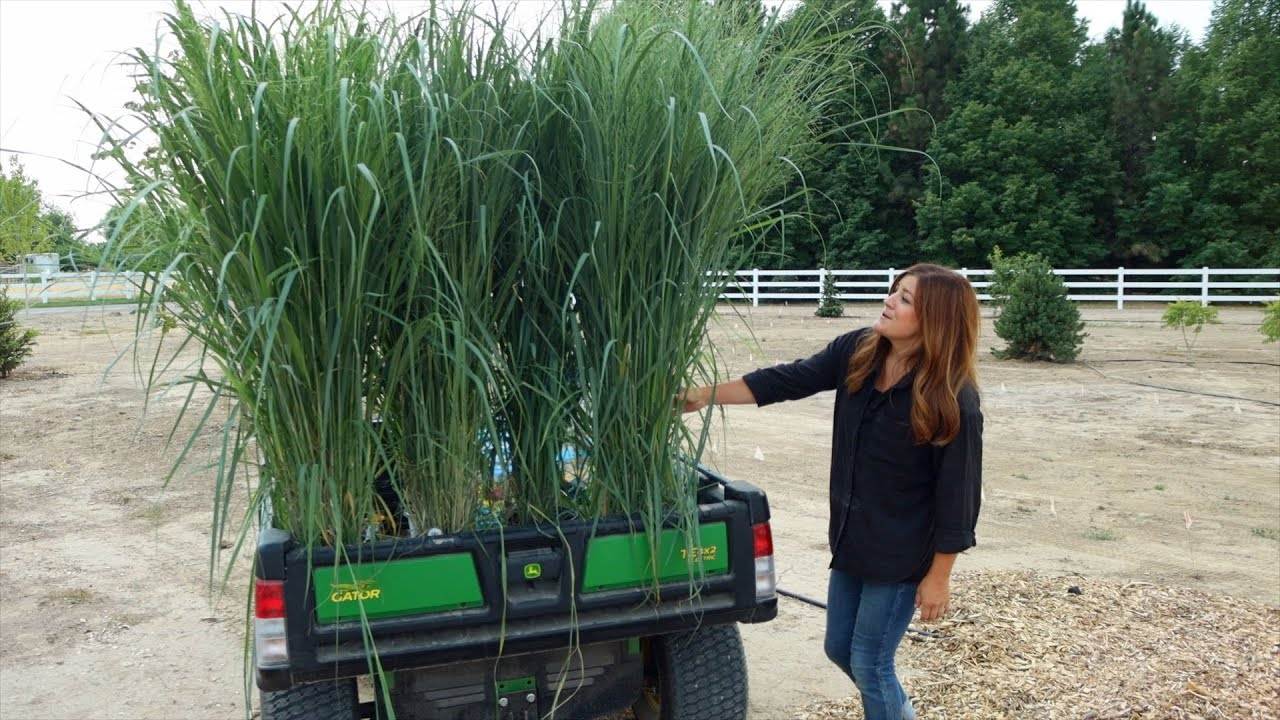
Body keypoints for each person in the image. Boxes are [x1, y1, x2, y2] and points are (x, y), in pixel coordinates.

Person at [681, 263, 982, 720]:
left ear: (936, 319)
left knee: (870, 663)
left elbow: (958, 498)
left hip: (902, 553)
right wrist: (703, 394)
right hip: (852, 537)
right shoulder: (859, 351)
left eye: (905, 299)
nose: (889, 301)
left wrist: (938, 577)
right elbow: (785, 380)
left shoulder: (952, 398)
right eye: (894, 291)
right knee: (839, 647)